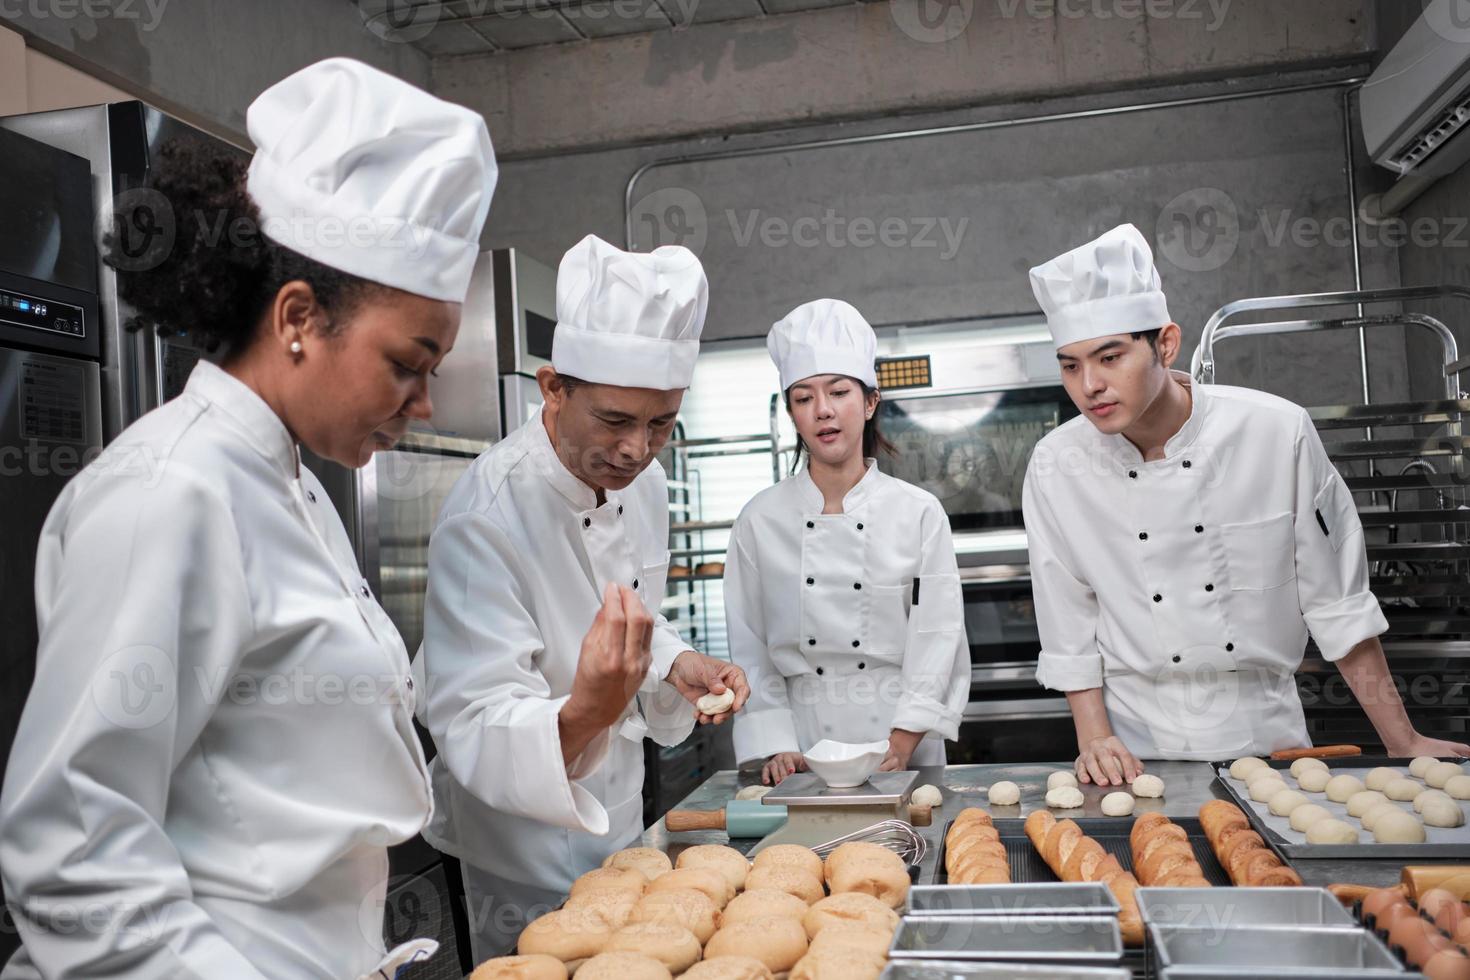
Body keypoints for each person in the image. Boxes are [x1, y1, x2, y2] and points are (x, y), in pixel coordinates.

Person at [0, 58, 497, 979]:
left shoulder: (293, 487)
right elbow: (73, 852)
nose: (424, 402)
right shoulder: (169, 495)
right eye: (407, 362)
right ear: (299, 315)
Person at [1022, 223, 1470, 786]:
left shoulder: (1274, 432)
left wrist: (1402, 741)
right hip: (1134, 757)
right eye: (1070, 365)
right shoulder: (1055, 465)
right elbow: (1068, 616)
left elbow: (1337, 602)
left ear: (1165, 343)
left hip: (1271, 745)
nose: (1090, 386)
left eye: (1110, 357)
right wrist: (1095, 738)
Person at [413, 234, 749, 959]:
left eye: (661, 423)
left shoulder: (646, 484)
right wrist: (585, 711)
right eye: (616, 420)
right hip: (518, 848)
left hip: (623, 814)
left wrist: (676, 663)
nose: (636, 449)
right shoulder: (487, 516)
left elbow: (629, 608)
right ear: (553, 389)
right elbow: (474, 724)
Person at [725, 299, 970, 786]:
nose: (823, 411)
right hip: (801, 745)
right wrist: (775, 744)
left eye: (838, 391)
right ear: (791, 413)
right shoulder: (760, 519)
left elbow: (937, 634)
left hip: (904, 739)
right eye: (803, 397)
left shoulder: (917, 512)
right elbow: (748, 645)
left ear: (871, 401)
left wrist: (901, 743)